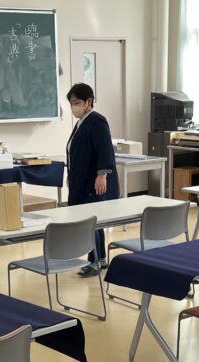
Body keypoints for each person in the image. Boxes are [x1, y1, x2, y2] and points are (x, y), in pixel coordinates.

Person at [64, 82, 119, 277]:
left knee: (90, 221)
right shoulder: (82, 122)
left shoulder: (97, 121)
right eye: (71, 103)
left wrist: (102, 175)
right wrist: (71, 175)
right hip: (83, 179)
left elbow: (105, 150)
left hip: (94, 182)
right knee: (93, 221)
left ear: (88, 101)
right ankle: (100, 258)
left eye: (77, 102)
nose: (73, 107)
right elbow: (76, 152)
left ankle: (94, 261)